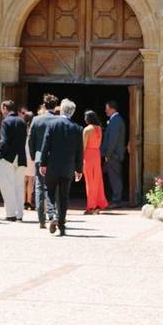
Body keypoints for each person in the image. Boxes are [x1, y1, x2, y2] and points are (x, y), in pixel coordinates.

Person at [40, 98, 83, 236]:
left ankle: (52, 216)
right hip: (68, 167)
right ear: (73, 112)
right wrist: (79, 169)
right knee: (64, 196)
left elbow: (45, 146)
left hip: (53, 165)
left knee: (50, 191)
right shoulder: (77, 128)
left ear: (62, 110)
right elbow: (79, 151)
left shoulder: (52, 124)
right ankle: (61, 224)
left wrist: (43, 163)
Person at [28, 94, 61, 228]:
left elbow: (31, 140)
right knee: (54, 187)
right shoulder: (59, 120)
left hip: (39, 157)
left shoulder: (36, 120)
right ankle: (53, 214)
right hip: (54, 158)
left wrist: (33, 155)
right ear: (55, 106)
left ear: (44, 105)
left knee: (39, 187)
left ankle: (41, 219)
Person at [0, 100, 28, 222]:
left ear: (4, 108)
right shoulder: (22, 121)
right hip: (21, 157)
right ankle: (19, 214)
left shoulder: (6, 121)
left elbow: (4, 141)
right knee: (19, 186)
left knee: (7, 186)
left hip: (8, 157)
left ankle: (11, 214)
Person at [82, 110, 109, 215]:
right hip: (96, 154)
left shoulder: (87, 129)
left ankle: (91, 206)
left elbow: (84, 146)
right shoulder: (99, 128)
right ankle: (98, 204)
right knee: (97, 180)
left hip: (88, 155)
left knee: (89, 181)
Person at [101, 101, 127, 207]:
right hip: (112, 155)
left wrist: (108, 154)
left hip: (113, 155)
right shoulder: (114, 120)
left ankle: (117, 200)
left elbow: (113, 140)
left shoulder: (116, 120)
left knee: (115, 178)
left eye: (107, 109)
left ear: (112, 109)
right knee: (112, 177)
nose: (105, 111)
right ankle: (114, 198)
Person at [20, 105, 35, 217]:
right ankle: (29, 201)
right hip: (31, 153)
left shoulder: (21, 127)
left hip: (23, 153)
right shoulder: (34, 128)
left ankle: (22, 201)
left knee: (23, 178)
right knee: (30, 179)